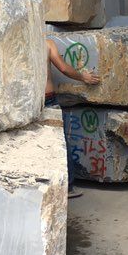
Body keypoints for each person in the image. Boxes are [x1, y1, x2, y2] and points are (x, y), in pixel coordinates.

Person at [46, 38, 101, 198]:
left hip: (27, 101)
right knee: (60, 142)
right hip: (47, 99)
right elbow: (63, 68)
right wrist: (83, 77)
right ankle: (68, 187)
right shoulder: (46, 43)